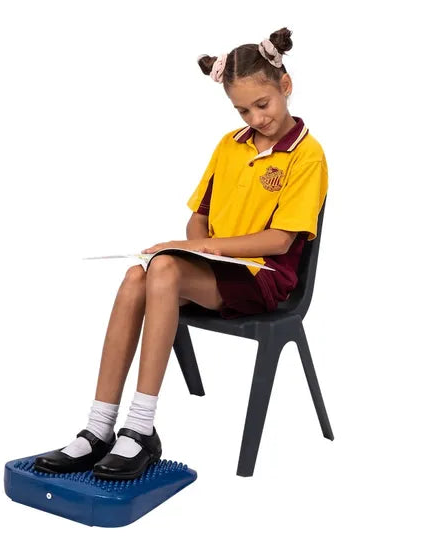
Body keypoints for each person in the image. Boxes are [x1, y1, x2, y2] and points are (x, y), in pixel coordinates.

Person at [34, 26, 328, 481]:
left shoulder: (307, 155)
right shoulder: (230, 146)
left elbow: (279, 241)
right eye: (243, 110)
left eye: (262, 104)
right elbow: (200, 215)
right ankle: (98, 427)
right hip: (216, 268)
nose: (255, 118)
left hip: (264, 276)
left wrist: (199, 247)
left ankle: (140, 428)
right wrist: (197, 245)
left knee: (166, 268)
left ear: (285, 86)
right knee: (137, 275)